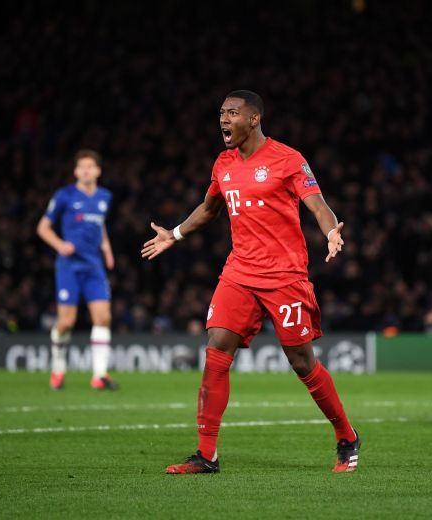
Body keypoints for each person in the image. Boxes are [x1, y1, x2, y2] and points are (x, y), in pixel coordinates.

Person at [142, 90, 359, 474]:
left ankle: (346, 435)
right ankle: (206, 455)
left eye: (232, 113)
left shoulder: (288, 159)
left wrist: (331, 232)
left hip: (284, 276)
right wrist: (173, 234)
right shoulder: (223, 164)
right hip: (239, 273)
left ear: (253, 119)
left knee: (301, 361)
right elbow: (210, 209)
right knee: (216, 348)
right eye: (221, 112)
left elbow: (318, 204)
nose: (224, 119)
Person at [37, 149, 117, 391]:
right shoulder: (65, 195)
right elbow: (43, 227)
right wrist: (60, 244)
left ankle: (99, 376)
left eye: (90, 166)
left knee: (103, 317)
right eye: (81, 167)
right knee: (66, 322)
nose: (85, 170)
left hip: (93, 266)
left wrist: (106, 249)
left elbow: (99, 224)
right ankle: (58, 369)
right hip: (69, 266)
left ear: (98, 171)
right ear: (75, 171)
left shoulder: (105, 196)